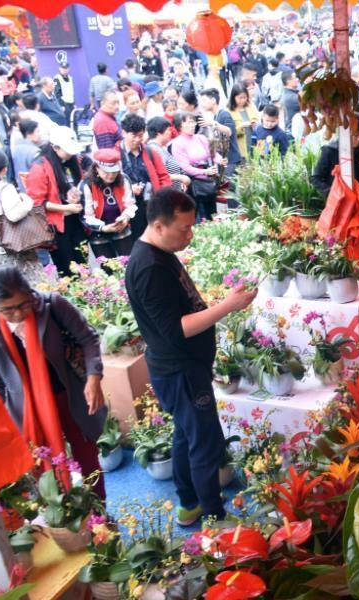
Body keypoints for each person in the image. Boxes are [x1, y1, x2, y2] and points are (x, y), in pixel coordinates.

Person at [125, 188, 257, 525]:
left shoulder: (159, 252)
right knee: (204, 442)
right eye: (183, 229)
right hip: (180, 370)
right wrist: (226, 306)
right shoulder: (149, 268)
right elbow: (176, 329)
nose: (190, 234)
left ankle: (188, 504)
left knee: (186, 436)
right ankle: (214, 514)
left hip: (183, 367)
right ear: (157, 225)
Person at [0, 267, 106, 498]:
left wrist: (93, 378)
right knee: (44, 470)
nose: (18, 314)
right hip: (28, 411)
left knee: (87, 457)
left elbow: (88, 339)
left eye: (23, 304)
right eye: (8, 310)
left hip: (68, 396)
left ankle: (100, 514)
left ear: (30, 294)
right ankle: (66, 521)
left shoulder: (52, 306)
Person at [25, 126, 86, 277]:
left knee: (83, 265)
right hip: (57, 226)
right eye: (67, 150)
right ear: (55, 147)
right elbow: (37, 202)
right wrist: (65, 208)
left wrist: (74, 195)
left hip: (76, 219)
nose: (71, 153)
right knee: (68, 270)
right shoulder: (39, 167)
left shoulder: (72, 160)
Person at [0, 147, 45, 283]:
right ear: (4, 168)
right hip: (12, 249)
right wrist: (26, 200)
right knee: (29, 288)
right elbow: (14, 215)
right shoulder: (5, 187)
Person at [119, 114, 172, 239]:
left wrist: (162, 195)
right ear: (124, 133)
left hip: (151, 203)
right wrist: (129, 189)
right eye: (134, 136)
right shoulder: (117, 154)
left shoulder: (149, 152)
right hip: (128, 206)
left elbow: (164, 176)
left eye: (141, 136)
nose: (138, 140)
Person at [80, 148, 136, 259]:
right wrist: (103, 227)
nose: (111, 175)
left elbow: (131, 204)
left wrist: (125, 217)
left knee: (129, 263)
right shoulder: (86, 185)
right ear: (96, 168)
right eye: (106, 172)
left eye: (114, 172)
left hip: (121, 226)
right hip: (98, 233)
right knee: (108, 268)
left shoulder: (123, 179)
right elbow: (86, 216)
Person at [170, 112, 218, 221]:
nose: (192, 125)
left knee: (212, 215)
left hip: (207, 182)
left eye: (193, 122)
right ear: (180, 126)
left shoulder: (200, 138)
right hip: (192, 185)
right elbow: (185, 167)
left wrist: (221, 160)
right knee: (194, 217)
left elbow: (213, 154)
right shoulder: (177, 143)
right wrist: (204, 172)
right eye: (188, 123)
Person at [312, 115, 359, 198]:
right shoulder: (330, 151)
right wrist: (331, 193)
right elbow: (316, 178)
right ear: (346, 133)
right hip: (338, 201)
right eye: (356, 135)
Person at [198, 88, 241, 177]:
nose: (202, 104)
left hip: (231, 161)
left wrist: (213, 123)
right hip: (224, 161)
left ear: (213, 100)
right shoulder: (215, 116)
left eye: (204, 100)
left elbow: (229, 131)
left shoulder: (224, 114)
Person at [146, 117, 190, 192]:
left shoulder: (161, 148)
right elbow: (158, 174)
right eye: (168, 130)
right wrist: (180, 178)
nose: (170, 133)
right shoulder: (155, 149)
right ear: (159, 133)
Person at [227, 84, 258, 160]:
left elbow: (257, 119)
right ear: (233, 97)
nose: (243, 100)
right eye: (240, 98)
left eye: (244, 97)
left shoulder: (250, 107)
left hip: (253, 141)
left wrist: (254, 123)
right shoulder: (229, 112)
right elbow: (229, 132)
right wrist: (241, 126)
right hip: (240, 146)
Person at [10, 120, 40, 193]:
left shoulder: (17, 148)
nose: (39, 134)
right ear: (29, 134)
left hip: (23, 190)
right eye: (37, 131)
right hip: (36, 192)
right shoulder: (35, 152)